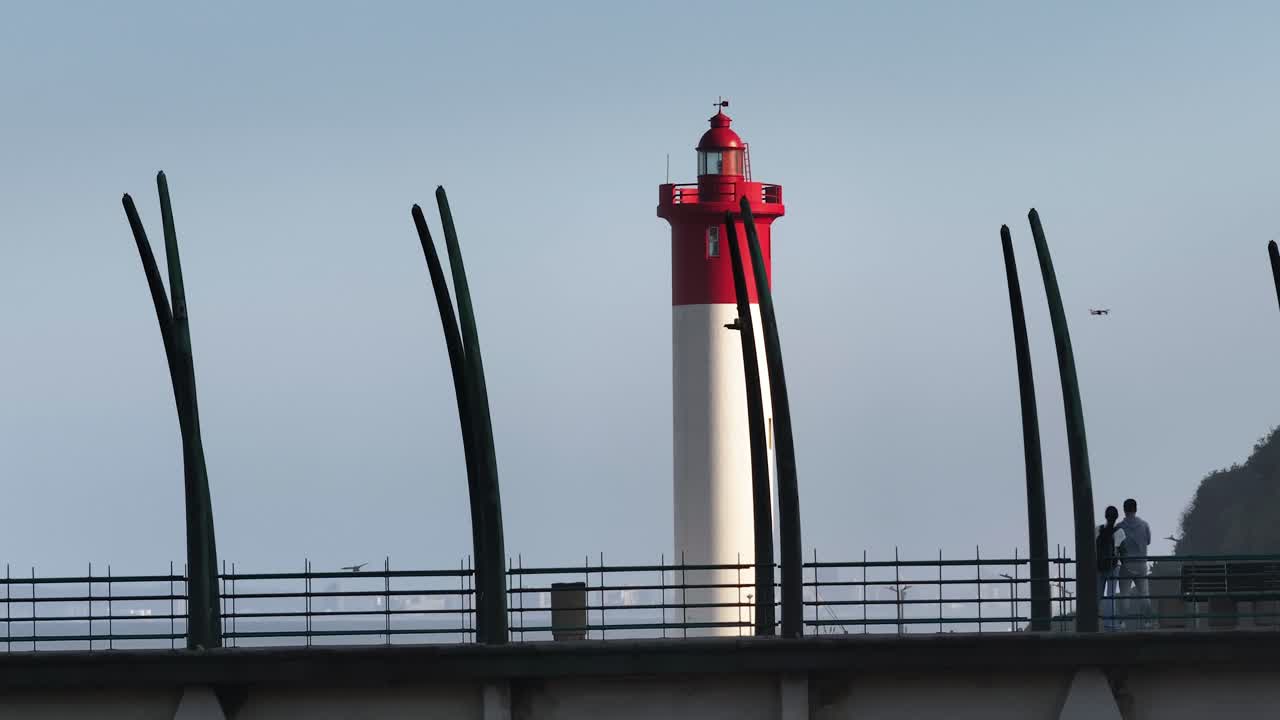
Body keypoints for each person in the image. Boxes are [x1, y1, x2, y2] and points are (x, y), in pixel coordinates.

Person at [1116, 498, 1153, 627]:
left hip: (1126, 564)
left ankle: (1123, 622)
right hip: (1142, 563)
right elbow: (1148, 541)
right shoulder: (1144, 524)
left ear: (1124, 510)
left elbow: (1116, 546)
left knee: (1124, 594)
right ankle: (1148, 621)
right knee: (1144, 593)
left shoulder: (1119, 527)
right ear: (1136, 509)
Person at [1096, 506, 1125, 631]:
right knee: (1111, 595)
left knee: (1097, 595)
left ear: (1105, 516)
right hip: (1114, 566)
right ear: (1116, 517)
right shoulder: (1120, 532)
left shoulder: (1098, 529)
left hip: (1099, 566)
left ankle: (1092, 622)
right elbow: (1120, 550)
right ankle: (1110, 624)